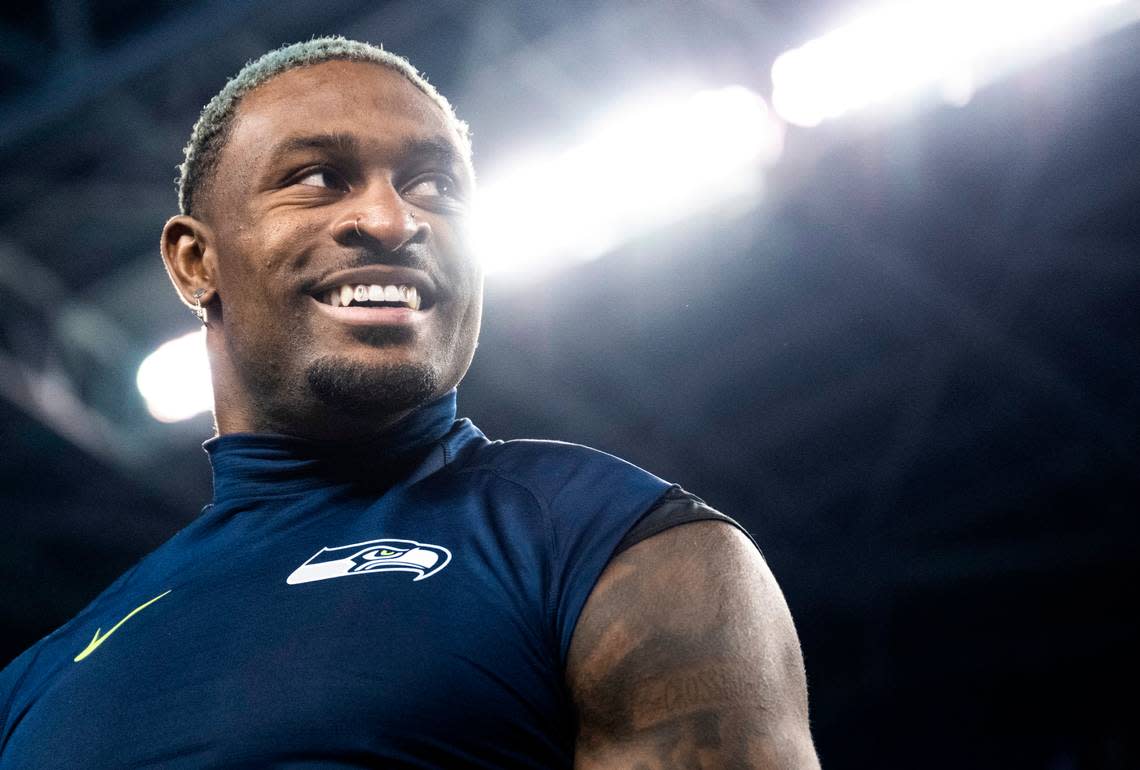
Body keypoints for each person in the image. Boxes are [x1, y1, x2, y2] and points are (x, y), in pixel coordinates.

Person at [0, 37, 820, 768]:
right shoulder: (32, 684)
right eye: (318, 179)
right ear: (193, 263)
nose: (393, 218)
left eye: (433, 185)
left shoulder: (608, 542)